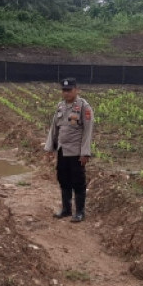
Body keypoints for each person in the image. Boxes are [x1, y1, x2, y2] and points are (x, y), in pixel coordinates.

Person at [44, 77, 94, 222]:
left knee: (78, 181)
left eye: (69, 90)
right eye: (64, 90)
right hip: (62, 150)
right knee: (63, 179)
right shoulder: (61, 106)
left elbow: (87, 132)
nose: (66, 93)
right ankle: (66, 209)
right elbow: (54, 128)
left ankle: (80, 212)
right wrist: (49, 148)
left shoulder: (84, 107)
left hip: (76, 152)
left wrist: (85, 153)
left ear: (76, 90)